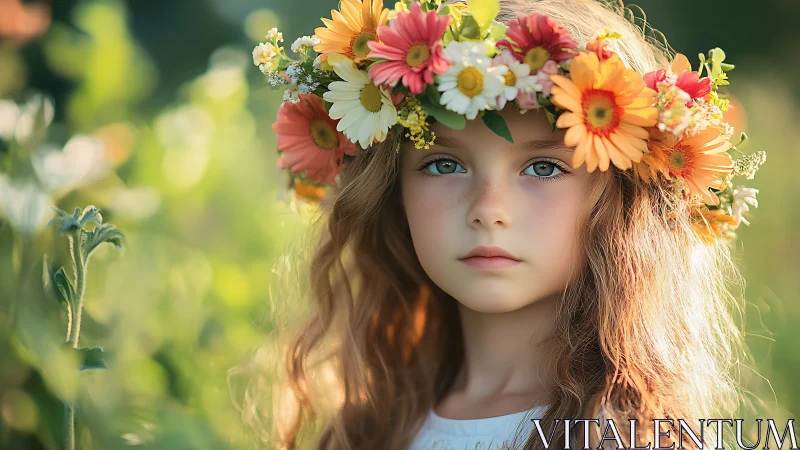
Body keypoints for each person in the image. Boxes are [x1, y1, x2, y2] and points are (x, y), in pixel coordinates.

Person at [246, 0, 768, 448]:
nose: (488, 208)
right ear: (391, 193)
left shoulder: (626, 433)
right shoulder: (373, 425)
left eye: (544, 167)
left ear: (620, 202)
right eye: (443, 164)